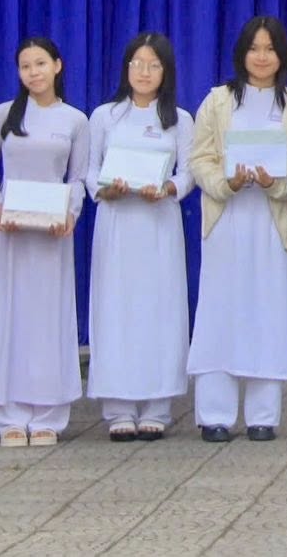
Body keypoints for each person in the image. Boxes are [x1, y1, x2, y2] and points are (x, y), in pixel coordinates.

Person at [186, 16, 287, 442]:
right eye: (254, 49)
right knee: (220, 311)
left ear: (282, 55)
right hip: (227, 220)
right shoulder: (218, 101)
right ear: (241, 54)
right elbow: (200, 159)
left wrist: (276, 183)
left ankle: (263, 415)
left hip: (272, 225)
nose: (261, 57)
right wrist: (228, 182)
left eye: (270, 49)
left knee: (267, 312)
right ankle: (215, 414)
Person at [0, 37, 88, 447]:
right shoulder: (3, 115)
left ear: (57, 66)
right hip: (11, 234)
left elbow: (78, 178)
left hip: (52, 236)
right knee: (10, 316)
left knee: (48, 319)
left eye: (40, 64)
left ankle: (48, 415)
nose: (33, 72)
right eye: (25, 66)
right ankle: (8, 416)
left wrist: (70, 213)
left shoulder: (75, 120)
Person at [85, 32, 192, 440]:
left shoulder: (179, 119)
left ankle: (158, 406)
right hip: (117, 222)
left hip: (159, 223)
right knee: (116, 307)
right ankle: (118, 407)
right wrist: (104, 190)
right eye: (137, 64)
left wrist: (169, 188)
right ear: (126, 68)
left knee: (159, 307)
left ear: (166, 71)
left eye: (153, 65)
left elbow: (190, 172)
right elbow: (89, 171)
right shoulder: (105, 116)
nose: (144, 72)